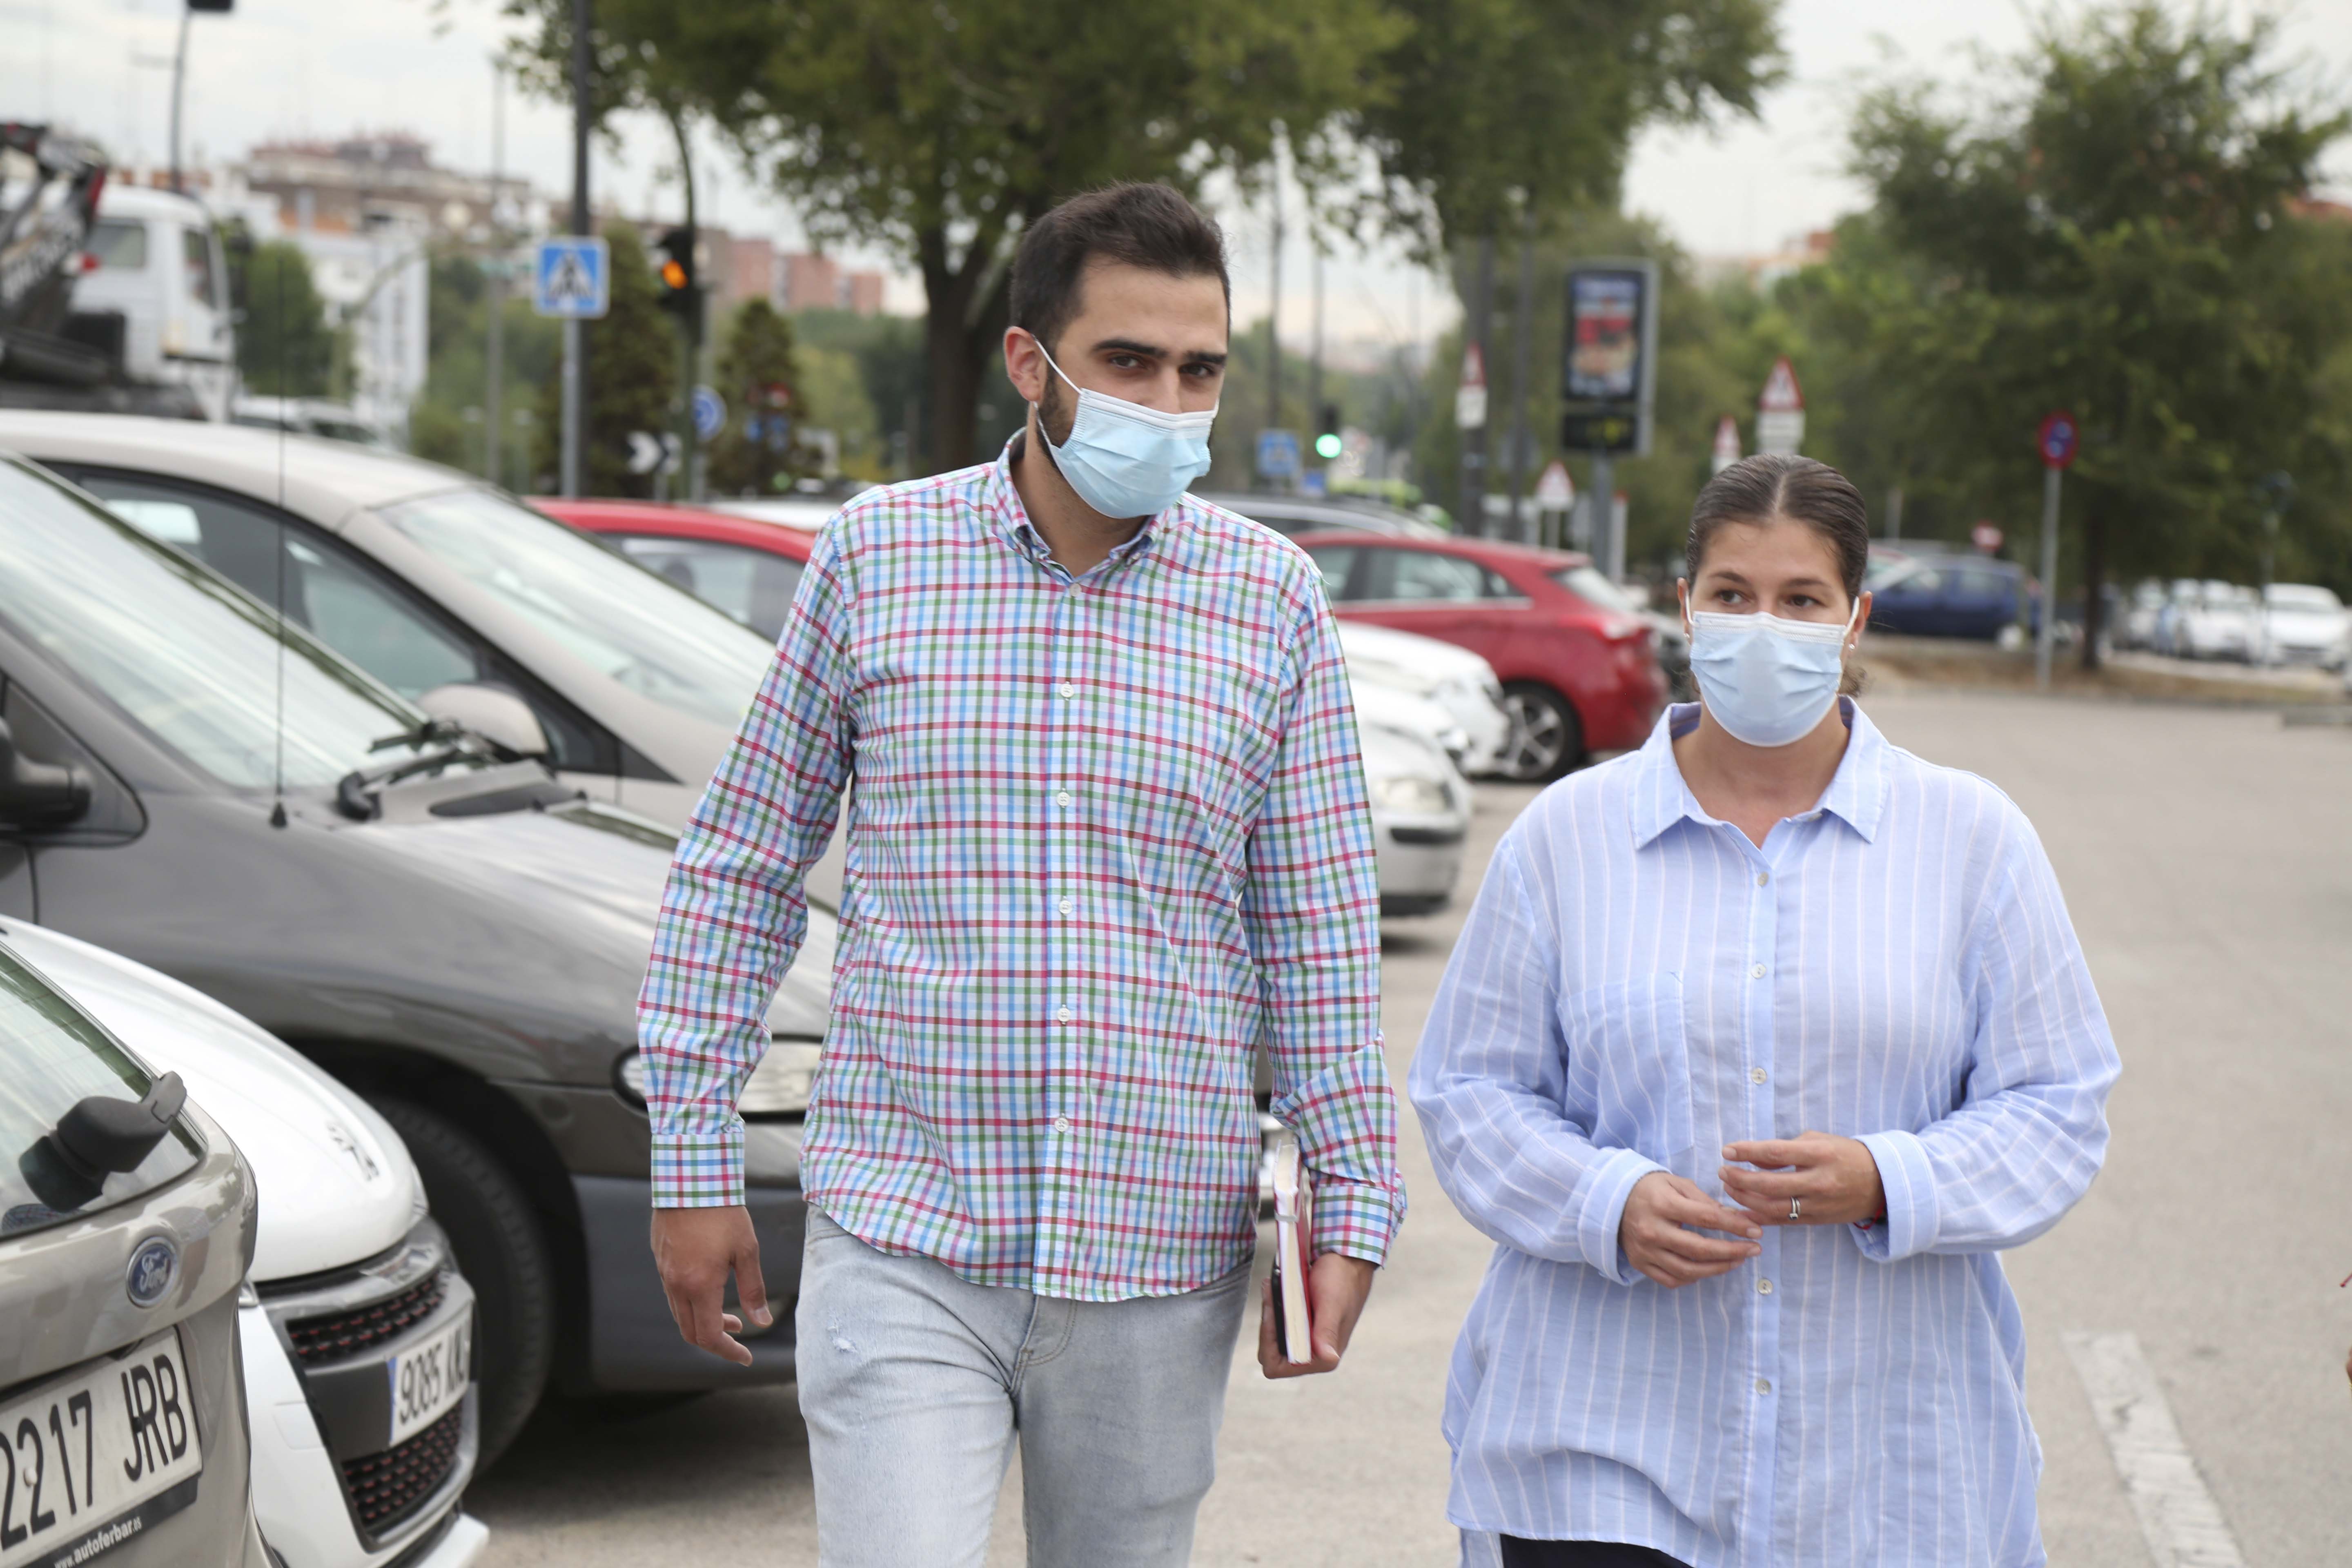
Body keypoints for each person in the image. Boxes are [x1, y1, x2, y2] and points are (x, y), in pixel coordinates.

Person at [637, 181, 1403, 1567]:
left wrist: (1350, 1201)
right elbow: (741, 866)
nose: (1168, 403)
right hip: (907, 1230)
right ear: (1029, 363)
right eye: (1129, 362)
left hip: (1156, 1251)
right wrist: (691, 1159)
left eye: (1200, 371)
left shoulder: (1273, 602)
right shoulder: (878, 559)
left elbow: (1318, 937)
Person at [1409, 454, 2120, 1568]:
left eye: (1802, 600)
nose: (1764, 628)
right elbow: (1470, 1091)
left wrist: (1891, 1180)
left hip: (1881, 1466)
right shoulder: (1568, 836)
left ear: (1855, 620)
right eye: (1734, 594)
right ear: (1686, 607)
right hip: (1601, 1444)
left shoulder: (1970, 840)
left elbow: (2058, 1104)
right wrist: (1606, 1201)